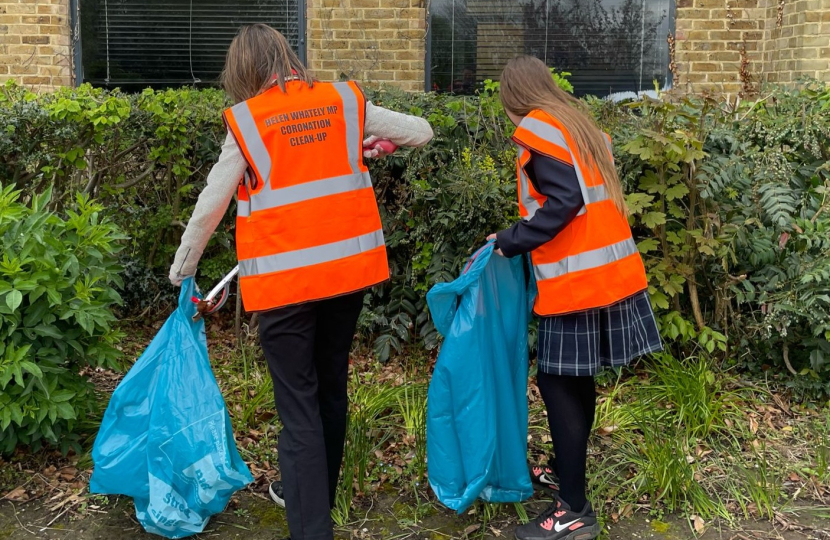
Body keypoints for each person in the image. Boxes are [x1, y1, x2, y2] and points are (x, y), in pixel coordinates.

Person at [168, 24, 433, 540]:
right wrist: (371, 146)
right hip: (346, 276)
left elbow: (212, 203)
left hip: (286, 287)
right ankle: (318, 494)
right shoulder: (343, 100)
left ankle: (310, 525)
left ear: (244, 72)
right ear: (288, 57)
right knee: (330, 387)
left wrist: (184, 268)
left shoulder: (248, 120)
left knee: (297, 407)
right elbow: (420, 130)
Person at [487, 56, 662, 540]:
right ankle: (570, 477)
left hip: (577, 281)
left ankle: (573, 510)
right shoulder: (581, 126)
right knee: (575, 381)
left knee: (556, 383)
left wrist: (511, 239)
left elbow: (565, 202)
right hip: (612, 275)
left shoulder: (540, 128)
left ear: (513, 98)